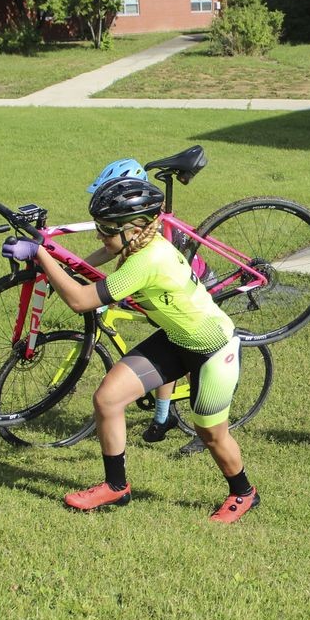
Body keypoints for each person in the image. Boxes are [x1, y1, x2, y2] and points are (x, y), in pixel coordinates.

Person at [1, 176, 258, 522]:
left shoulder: (146, 261)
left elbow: (80, 300)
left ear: (135, 228)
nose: (100, 234)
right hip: (177, 338)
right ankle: (116, 487)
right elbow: (102, 256)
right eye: (99, 226)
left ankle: (244, 492)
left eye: (107, 228)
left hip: (214, 350)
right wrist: (55, 258)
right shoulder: (138, 243)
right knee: (107, 398)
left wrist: (40, 254)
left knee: (210, 433)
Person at [82, 159, 185, 446]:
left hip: (187, 297)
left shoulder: (150, 244)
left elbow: (126, 280)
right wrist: (73, 268)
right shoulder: (133, 232)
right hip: (156, 293)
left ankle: (164, 415)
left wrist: (101, 296)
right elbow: (106, 251)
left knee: (173, 345)